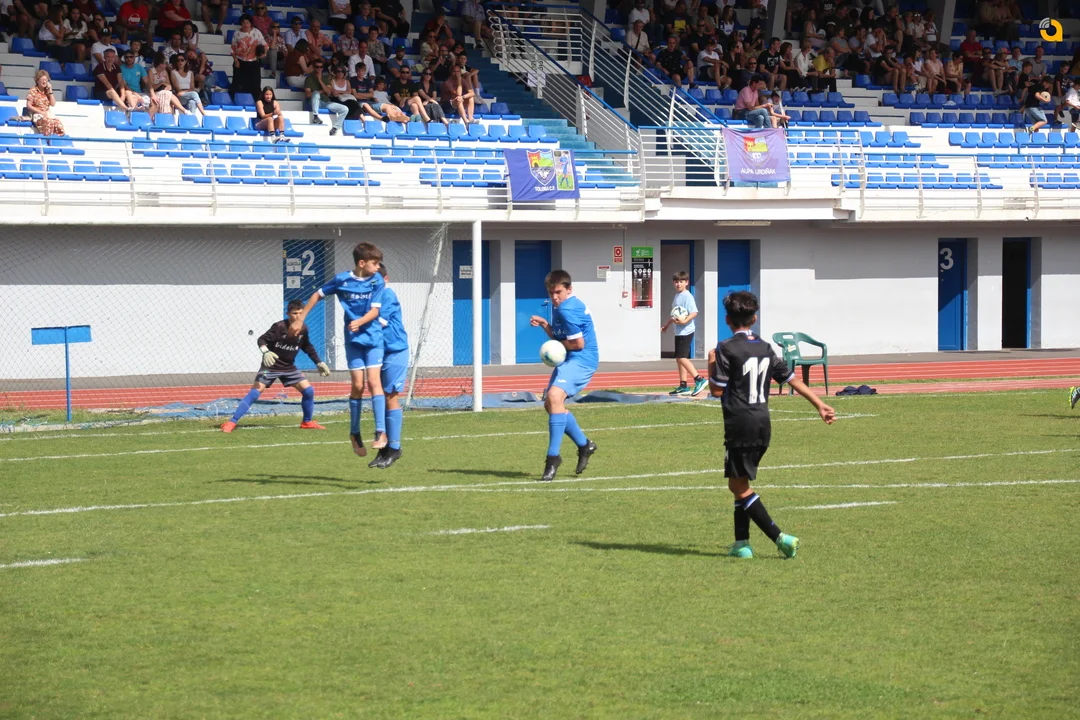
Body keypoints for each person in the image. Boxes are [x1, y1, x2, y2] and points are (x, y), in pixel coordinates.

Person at [708, 291, 835, 559]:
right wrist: (819, 404)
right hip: (763, 422)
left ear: (727, 319)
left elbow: (717, 390)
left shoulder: (725, 348)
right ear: (754, 318)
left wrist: (710, 363)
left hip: (739, 423)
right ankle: (741, 544)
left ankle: (780, 538)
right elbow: (791, 378)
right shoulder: (765, 347)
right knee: (739, 482)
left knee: (738, 487)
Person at [291, 242, 388, 457]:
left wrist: (359, 322)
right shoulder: (342, 280)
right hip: (353, 340)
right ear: (361, 263)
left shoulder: (377, 280)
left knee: (374, 382)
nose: (378, 267)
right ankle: (354, 433)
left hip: (373, 338)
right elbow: (317, 294)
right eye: (374, 263)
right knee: (357, 385)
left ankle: (381, 432)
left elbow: (375, 311)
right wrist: (301, 319)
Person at [529, 270, 599, 482]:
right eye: (551, 293)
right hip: (570, 359)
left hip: (582, 359)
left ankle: (553, 458)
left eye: (558, 292)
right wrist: (545, 325)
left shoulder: (567, 309)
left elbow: (578, 344)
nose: (554, 297)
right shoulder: (562, 306)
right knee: (550, 405)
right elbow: (562, 337)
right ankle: (585, 445)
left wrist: (554, 346)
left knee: (554, 397)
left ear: (569, 289)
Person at [221, 300, 331, 433]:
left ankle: (307, 422)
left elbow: (307, 346)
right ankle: (232, 422)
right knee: (255, 392)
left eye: (300, 313)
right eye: (294, 313)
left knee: (308, 391)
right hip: (271, 367)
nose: (298, 316)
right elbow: (261, 339)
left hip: (289, 367)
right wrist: (265, 351)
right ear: (288, 314)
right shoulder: (279, 327)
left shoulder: (304, 329)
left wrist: (318, 362)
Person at [368, 262, 408, 469]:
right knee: (380, 397)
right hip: (378, 352)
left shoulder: (388, 295)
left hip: (395, 351)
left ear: (385, 279)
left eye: (376, 279)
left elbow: (378, 322)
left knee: (390, 396)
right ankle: (384, 448)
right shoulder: (369, 298)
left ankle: (394, 447)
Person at [661, 271, 705, 396]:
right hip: (678, 331)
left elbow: (694, 312)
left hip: (686, 331)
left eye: (681, 281)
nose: (678, 284)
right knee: (679, 359)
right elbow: (675, 314)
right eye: (676, 281)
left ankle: (699, 379)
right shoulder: (677, 296)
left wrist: (685, 321)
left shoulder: (687, 296)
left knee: (682, 358)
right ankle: (683, 385)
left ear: (686, 282)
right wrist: (666, 325)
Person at [26, 70, 64, 136]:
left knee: (58, 124)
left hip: (47, 114)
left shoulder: (47, 91)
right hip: (37, 115)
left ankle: (55, 140)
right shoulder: (33, 91)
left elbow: (53, 104)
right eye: (42, 80)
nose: (44, 82)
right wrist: (41, 112)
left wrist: (50, 91)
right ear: (38, 81)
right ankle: (47, 140)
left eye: (46, 80)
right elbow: (28, 105)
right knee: (48, 122)